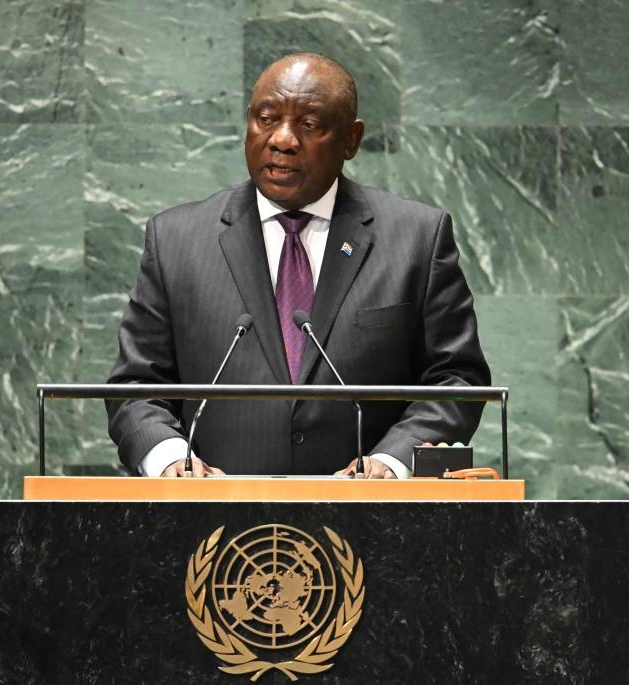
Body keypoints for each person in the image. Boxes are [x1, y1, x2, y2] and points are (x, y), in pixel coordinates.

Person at [107, 52, 490, 478]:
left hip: (375, 522)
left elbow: (457, 381)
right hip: (211, 524)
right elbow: (136, 387)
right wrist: (169, 459)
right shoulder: (176, 239)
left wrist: (391, 462)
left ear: (351, 139)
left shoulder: (417, 237)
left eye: (308, 124)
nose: (282, 139)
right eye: (266, 118)